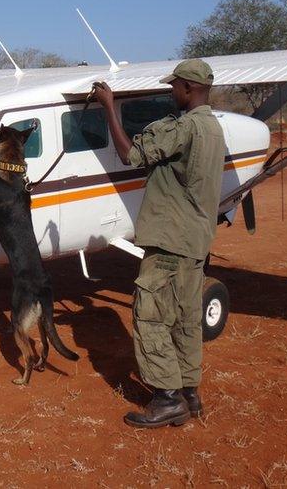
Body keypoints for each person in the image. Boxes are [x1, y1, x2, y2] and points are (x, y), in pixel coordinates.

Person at [91, 59, 226, 428]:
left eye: (174, 87)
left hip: (169, 240)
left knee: (149, 316)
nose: (170, 92)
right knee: (185, 319)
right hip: (195, 241)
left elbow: (129, 155)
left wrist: (108, 106)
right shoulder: (213, 127)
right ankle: (190, 393)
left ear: (187, 88)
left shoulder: (183, 128)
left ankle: (167, 399)